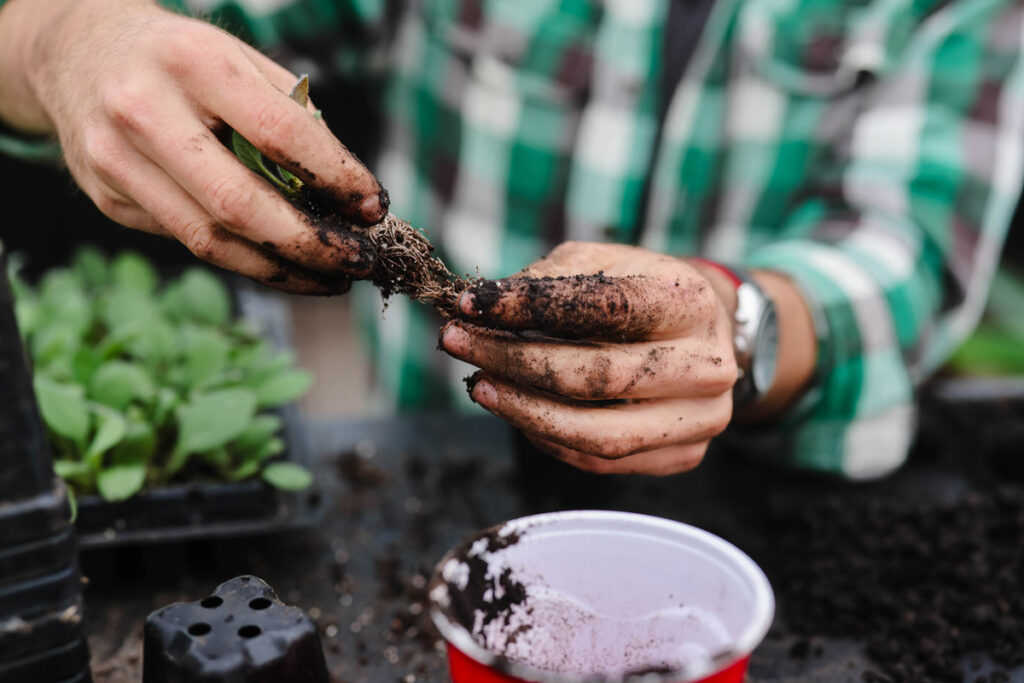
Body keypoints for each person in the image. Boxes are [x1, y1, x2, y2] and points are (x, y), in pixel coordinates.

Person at [1, 0, 1021, 479]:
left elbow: (907, 256)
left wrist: (737, 319)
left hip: (753, 500)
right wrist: (67, 40)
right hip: (436, 471)